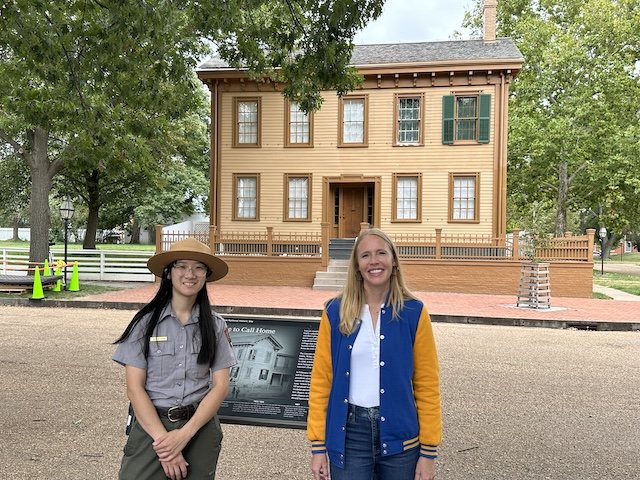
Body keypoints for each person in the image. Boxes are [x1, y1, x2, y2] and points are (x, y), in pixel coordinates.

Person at [307, 228, 442, 480]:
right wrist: (318, 445)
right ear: (357, 266)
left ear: (394, 261)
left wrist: (428, 452)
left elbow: (427, 384)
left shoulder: (414, 313)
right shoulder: (335, 312)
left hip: (401, 438)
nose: (374, 261)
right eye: (365, 255)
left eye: (381, 253)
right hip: (350, 435)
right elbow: (321, 381)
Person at [113, 238, 236, 480]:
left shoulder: (215, 325)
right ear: (168, 273)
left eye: (199, 267)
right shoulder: (144, 324)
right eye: (181, 266)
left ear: (206, 275)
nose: (190, 274)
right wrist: (166, 445)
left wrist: (184, 435)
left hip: (198, 428)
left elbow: (220, 386)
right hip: (152, 425)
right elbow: (134, 388)